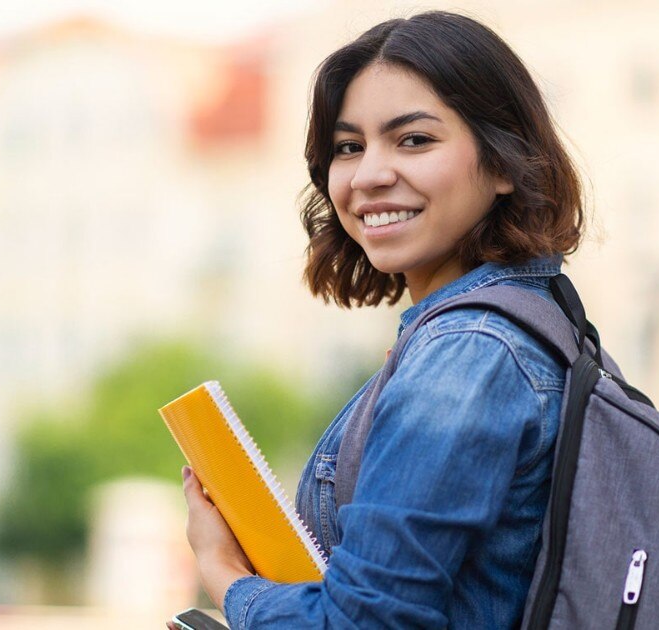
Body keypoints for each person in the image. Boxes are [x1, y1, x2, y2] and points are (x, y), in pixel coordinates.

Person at [178, 11, 586, 628]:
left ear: (505, 162)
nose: (369, 174)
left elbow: (368, 622)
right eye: (348, 147)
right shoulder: (539, 328)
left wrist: (225, 577)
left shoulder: (469, 353)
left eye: (414, 140)